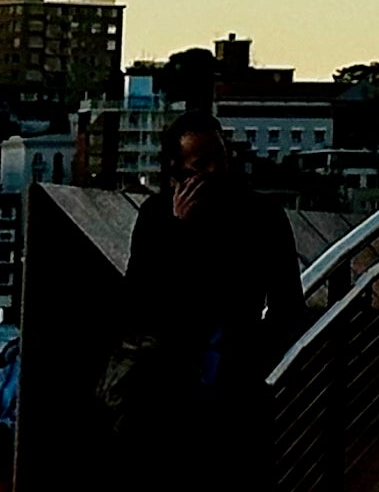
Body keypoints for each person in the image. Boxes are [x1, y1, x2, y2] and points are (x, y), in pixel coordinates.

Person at [117, 113, 310, 488]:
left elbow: (288, 304)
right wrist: (180, 233)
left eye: (219, 157)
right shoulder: (157, 217)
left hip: (235, 377)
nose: (214, 170)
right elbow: (140, 299)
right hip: (168, 383)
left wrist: (255, 359)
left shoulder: (262, 215)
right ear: (177, 170)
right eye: (199, 164)